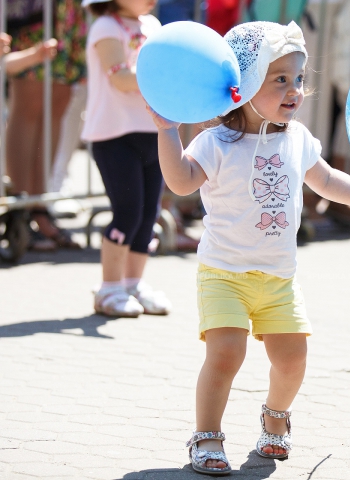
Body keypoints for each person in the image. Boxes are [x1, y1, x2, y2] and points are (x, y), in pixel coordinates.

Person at [148, 21, 350, 474]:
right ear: (244, 87)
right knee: (226, 354)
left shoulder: (299, 139)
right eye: (280, 79)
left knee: (293, 359)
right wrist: (167, 131)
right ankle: (206, 436)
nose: (295, 90)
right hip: (224, 272)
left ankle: (275, 417)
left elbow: (326, 181)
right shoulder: (217, 142)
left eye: (299, 79)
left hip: (279, 277)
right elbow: (180, 182)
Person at [81, 0, 171, 317]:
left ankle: (133, 284)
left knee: (149, 215)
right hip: (113, 135)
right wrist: (166, 74)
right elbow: (119, 79)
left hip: (152, 132)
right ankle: (109, 288)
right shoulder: (105, 26)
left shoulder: (153, 27)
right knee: (128, 213)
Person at [6, 0, 86, 250]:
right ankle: (20, 211)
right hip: (36, 10)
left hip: (70, 11)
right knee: (30, 103)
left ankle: (40, 206)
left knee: (58, 102)